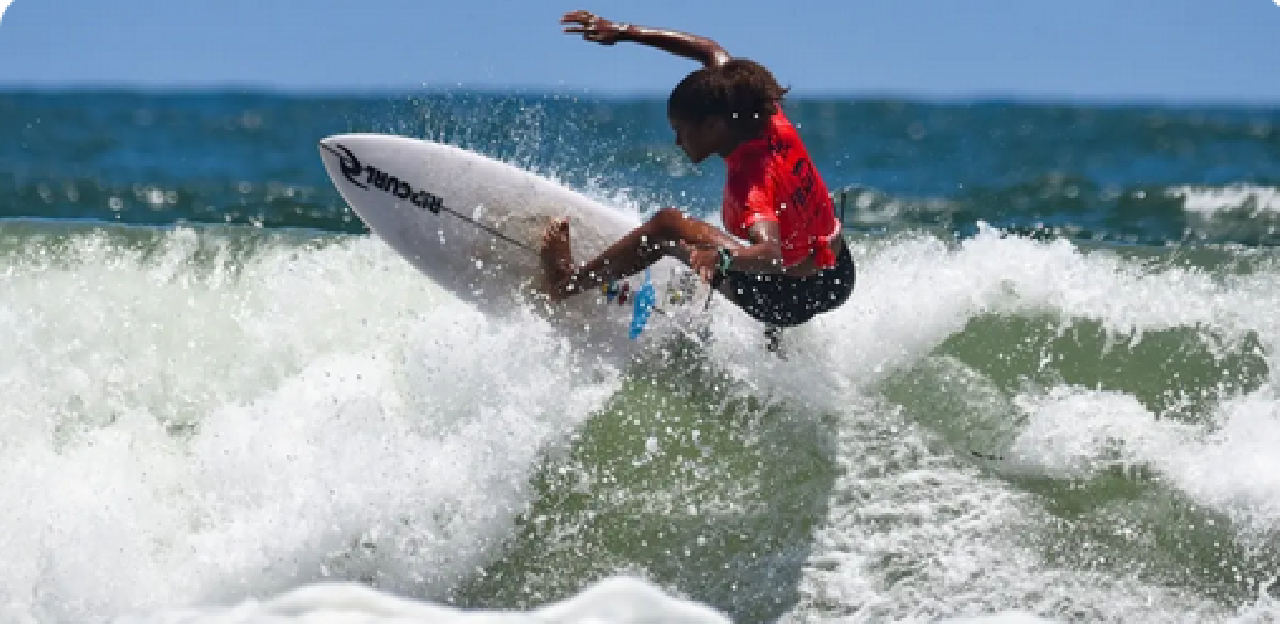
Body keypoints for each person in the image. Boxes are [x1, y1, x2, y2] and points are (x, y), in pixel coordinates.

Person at [542, 10, 855, 333]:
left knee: (666, 226)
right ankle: (772, 339)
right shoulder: (761, 111)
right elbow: (709, 50)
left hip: (786, 301)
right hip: (838, 275)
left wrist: (720, 259)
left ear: (713, 125)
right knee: (770, 234)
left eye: (681, 130)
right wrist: (624, 32)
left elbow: (771, 253)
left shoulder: (750, 183)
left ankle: (565, 283)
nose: (677, 140)